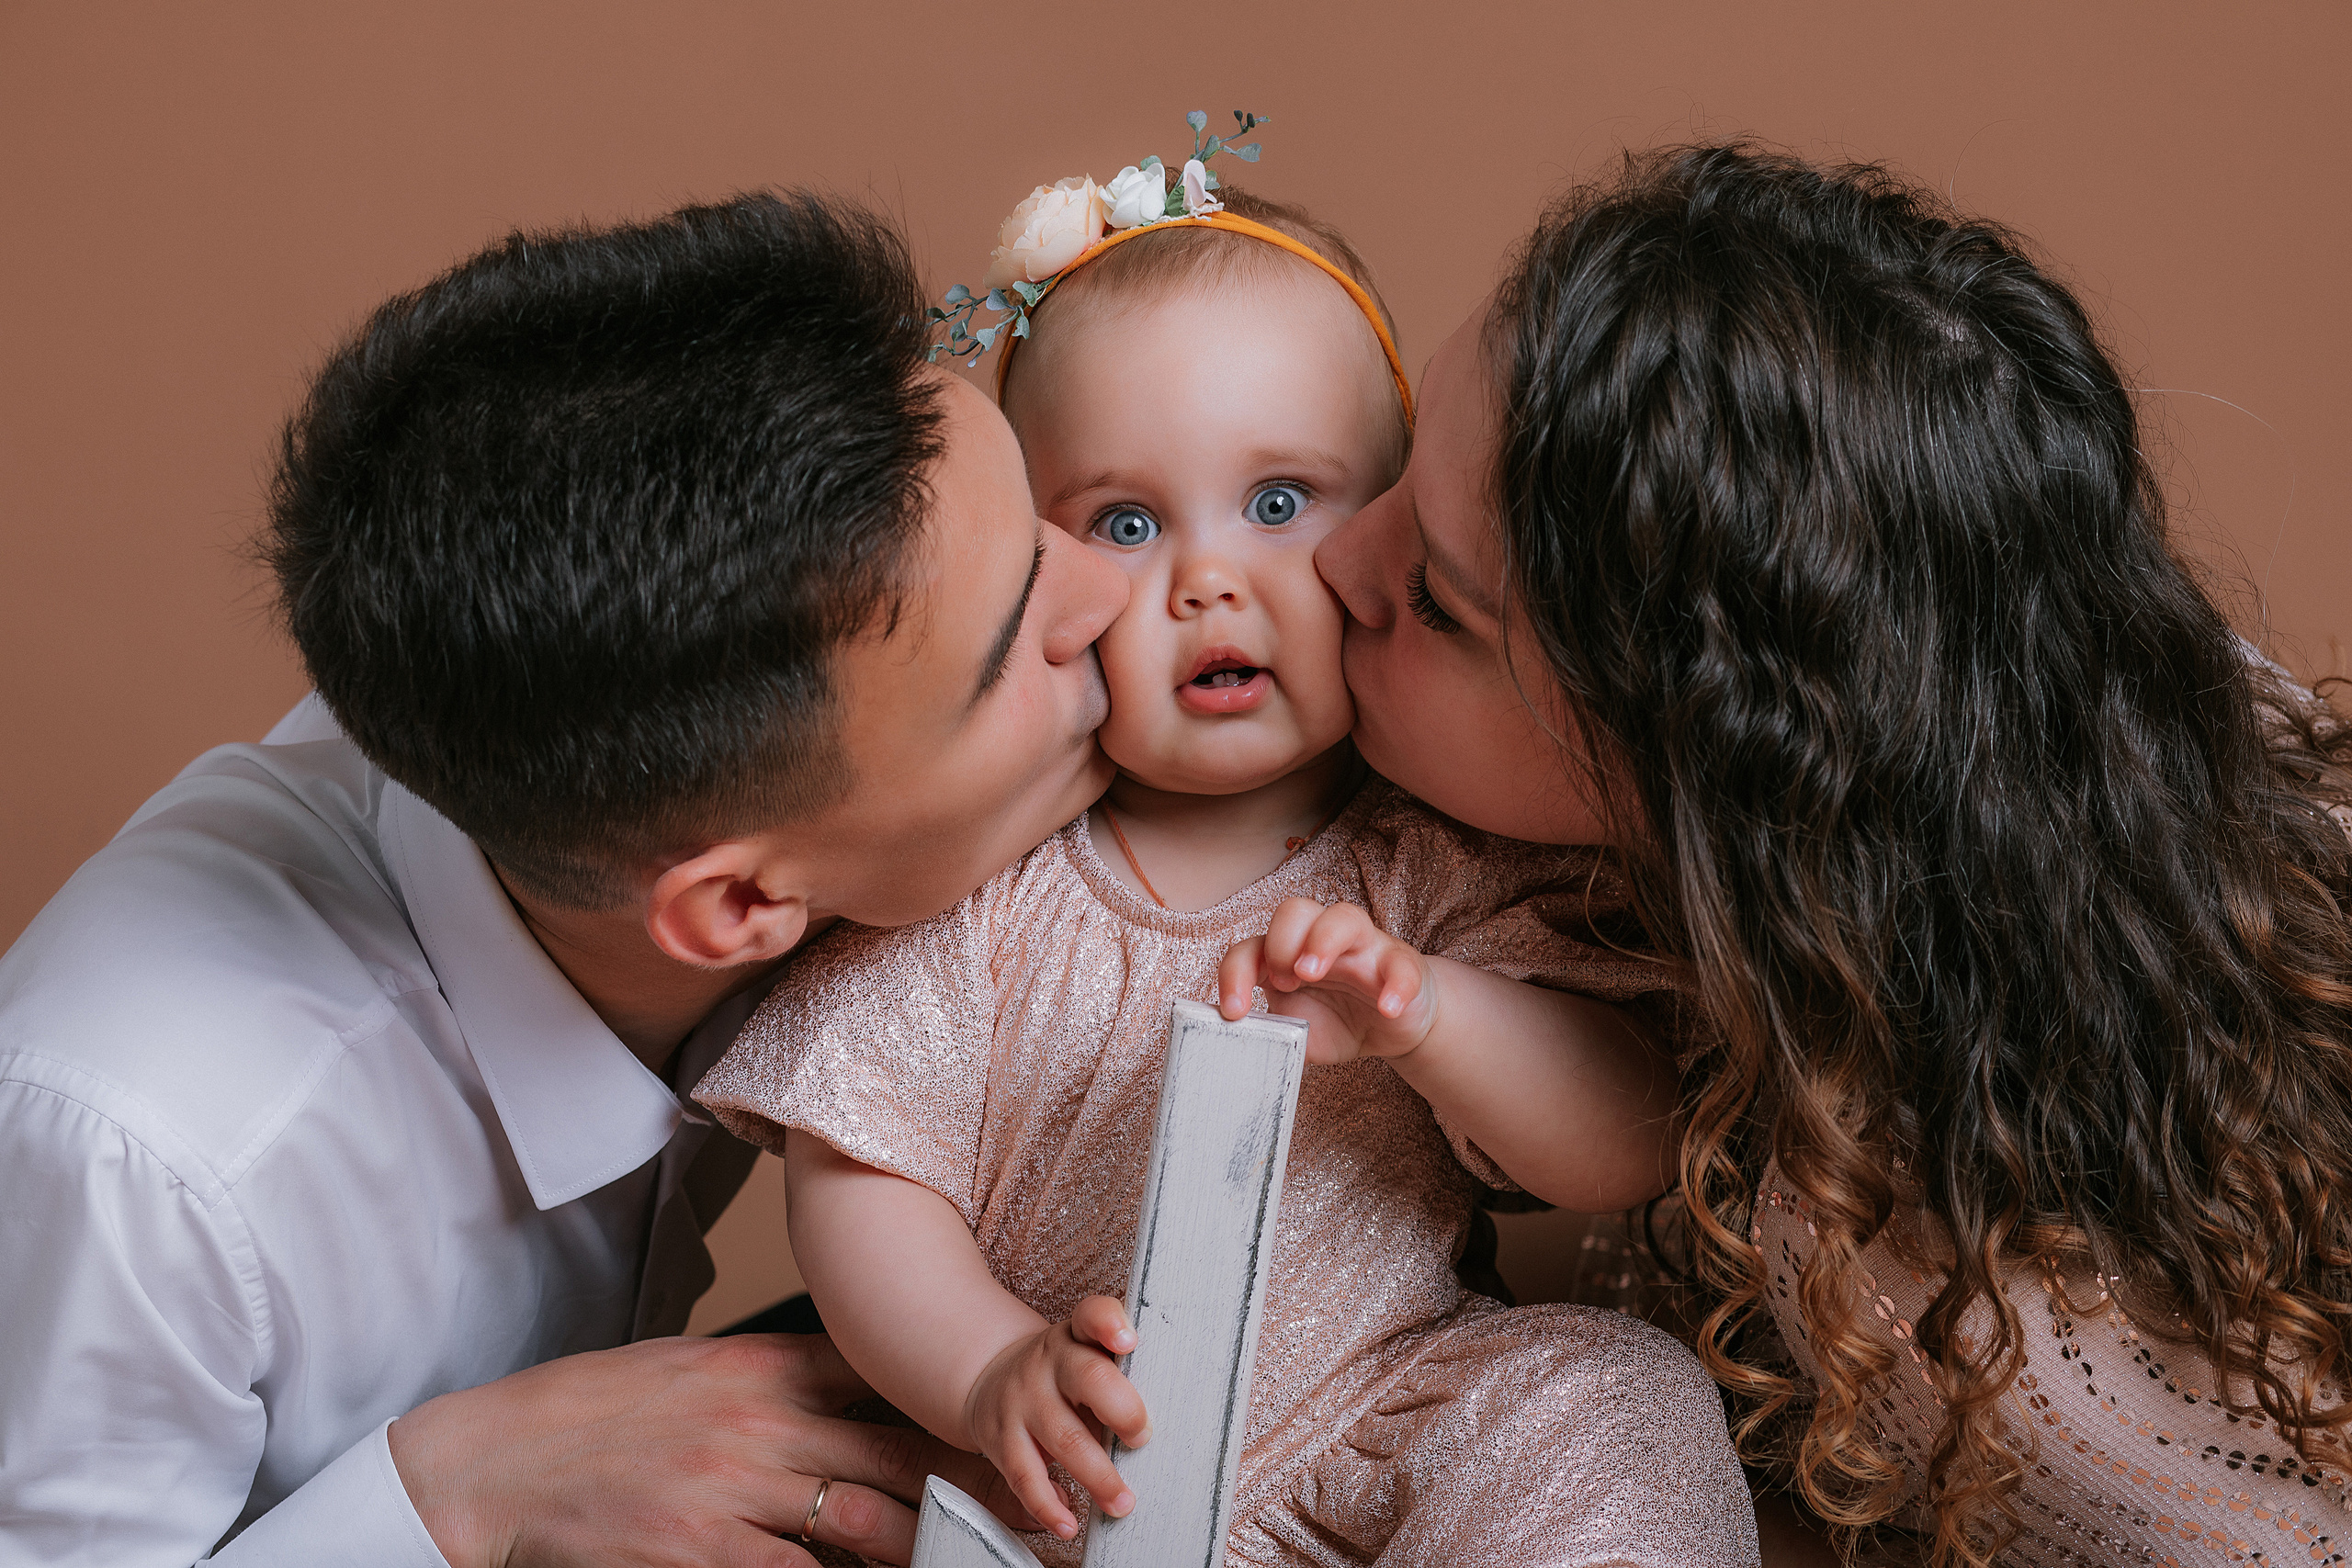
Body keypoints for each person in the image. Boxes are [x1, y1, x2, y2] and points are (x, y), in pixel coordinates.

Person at [0, 191, 1129, 1566]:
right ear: (736, 912)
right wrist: (454, 1493)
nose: (1115, 595)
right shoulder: (145, 1155)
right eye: (1018, 638)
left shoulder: (660, 781)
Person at [695, 170, 1757, 1566]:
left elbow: (1623, 1139)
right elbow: (862, 1187)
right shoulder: (984, 886)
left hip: (1385, 1416)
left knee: (1610, 1399)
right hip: (1079, 1487)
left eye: (1277, 500)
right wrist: (992, 1370)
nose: (1208, 578)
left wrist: (1431, 1016)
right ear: (1042, 572)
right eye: (1126, 525)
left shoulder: (1427, 862)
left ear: (1390, 527)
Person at [1313, 142, 2352, 1565]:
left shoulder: (1960, 1320)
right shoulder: (2042, 700)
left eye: (1432, 596)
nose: (1332, 561)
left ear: (1697, 767)